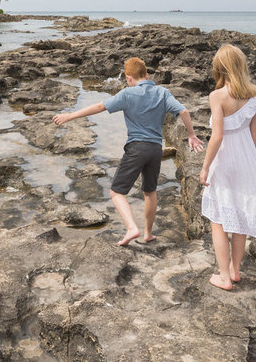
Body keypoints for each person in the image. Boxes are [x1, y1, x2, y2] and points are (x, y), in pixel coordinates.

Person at [53, 57, 203, 246]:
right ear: (147, 75)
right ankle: (148, 233)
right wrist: (191, 135)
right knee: (150, 191)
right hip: (156, 149)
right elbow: (184, 112)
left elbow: (100, 106)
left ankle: (132, 227)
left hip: (136, 148)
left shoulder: (127, 93)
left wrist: (69, 116)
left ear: (128, 78)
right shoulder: (162, 92)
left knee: (116, 192)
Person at [200, 44, 256, 290]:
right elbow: (255, 136)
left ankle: (224, 276)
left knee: (218, 219)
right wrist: (253, 164)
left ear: (221, 68)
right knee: (241, 216)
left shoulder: (217, 96)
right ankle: (236, 270)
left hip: (224, 159)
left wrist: (205, 167)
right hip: (247, 158)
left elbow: (216, 137)